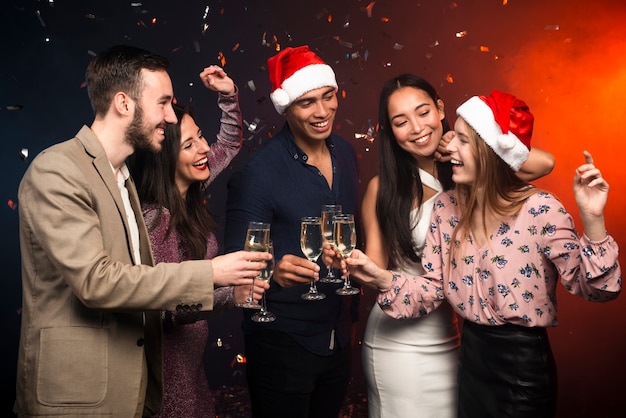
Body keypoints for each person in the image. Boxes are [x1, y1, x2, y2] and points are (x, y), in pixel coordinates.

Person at [15, 45, 271, 417]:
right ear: (123, 103)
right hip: (77, 400)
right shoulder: (58, 170)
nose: (170, 116)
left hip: (130, 393)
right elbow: (95, 281)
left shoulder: (124, 181)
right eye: (163, 102)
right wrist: (213, 274)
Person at [337, 90, 621, 417]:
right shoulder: (446, 210)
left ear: (491, 149)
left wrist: (594, 219)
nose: (448, 147)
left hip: (520, 369)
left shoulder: (540, 209)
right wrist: (379, 277)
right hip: (470, 362)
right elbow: (431, 289)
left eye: (461, 140)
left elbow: (601, 290)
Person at [360, 75, 556, 417]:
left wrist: (462, 142)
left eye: (423, 112)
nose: (417, 127)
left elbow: (543, 164)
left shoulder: (469, 172)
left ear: (440, 109)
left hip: (454, 339)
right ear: (389, 131)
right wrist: (352, 264)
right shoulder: (384, 189)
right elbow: (373, 270)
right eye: (401, 122)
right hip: (399, 341)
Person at [224, 45, 359, 417]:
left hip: (337, 338)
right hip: (283, 343)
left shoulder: (346, 154)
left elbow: (349, 232)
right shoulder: (258, 173)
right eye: (306, 103)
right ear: (286, 107)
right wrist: (275, 275)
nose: (321, 111)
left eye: (328, 97)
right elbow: (231, 275)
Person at [128, 65, 267, 417]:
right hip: (169, 368)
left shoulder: (191, 188)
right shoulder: (156, 218)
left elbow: (230, 141)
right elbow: (166, 308)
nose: (205, 148)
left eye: (200, 136)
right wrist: (225, 289)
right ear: (165, 158)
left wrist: (228, 94)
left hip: (191, 364)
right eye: (189, 145)